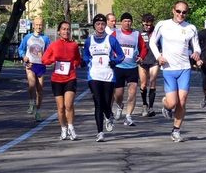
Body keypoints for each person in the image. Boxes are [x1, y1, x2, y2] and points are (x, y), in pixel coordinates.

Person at [149, 1, 201, 142]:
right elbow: (152, 42)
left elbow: (196, 46)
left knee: (182, 102)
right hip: (169, 69)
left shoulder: (191, 28)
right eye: (178, 11)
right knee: (172, 102)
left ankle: (176, 130)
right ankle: (166, 105)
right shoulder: (163, 25)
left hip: (184, 68)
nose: (181, 14)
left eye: (184, 12)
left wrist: (196, 53)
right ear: (173, 11)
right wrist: (159, 57)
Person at [82, 14, 125, 142]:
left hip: (108, 75)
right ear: (94, 25)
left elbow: (121, 55)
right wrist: (84, 61)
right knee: (98, 102)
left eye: (102, 24)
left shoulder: (111, 39)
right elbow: (85, 55)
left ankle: (108, 116)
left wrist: (115, 62)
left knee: (106, 102)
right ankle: (100, 132)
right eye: (98, 24)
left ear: (105, 25)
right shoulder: (89, 40)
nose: (100, 27)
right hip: (94, 75)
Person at [42, 21, 82, 141]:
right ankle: (63, 128)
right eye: (64, 29)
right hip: (57, 79)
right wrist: (53, 59)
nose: (66, 31)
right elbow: (45, 59)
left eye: (68, 29)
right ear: (59, 31)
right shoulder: (54, 45)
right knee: (60, 107)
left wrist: (75, 63)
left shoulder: (74, 45)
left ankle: (71, 128)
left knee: (69, 105)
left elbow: (78, 59)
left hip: (70, 77)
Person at [112, 12, 147, 126]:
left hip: (132, 67)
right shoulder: (115, 33)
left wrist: (141, 57)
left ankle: (128, 116)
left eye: (129, 21)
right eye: (125, 21)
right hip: (119, 67)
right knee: (118, 93)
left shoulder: (136, 34)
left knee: (132, 91)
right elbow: (108, 46)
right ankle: (119, 105)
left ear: (131, 22)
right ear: (121, 22)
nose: (127, 23)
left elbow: (143, 48)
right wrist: (113, 55)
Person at [18, 16, 51, 122]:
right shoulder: (28, 37)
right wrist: (23, 56)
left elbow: (50, 52)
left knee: (40, 90)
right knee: (32, 85)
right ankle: (31, 101)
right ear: (33, 26)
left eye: (40, 24)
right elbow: (21, 49)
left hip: (40, 65)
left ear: (43, 25)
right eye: (37, 24)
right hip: (30, 64)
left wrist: (44, 56)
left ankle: (38, 112)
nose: (38, 26)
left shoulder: (45, 39)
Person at [138, 13, 161, 117]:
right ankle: (144, 105)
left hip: (154, 60)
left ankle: (151, 107)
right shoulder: (139, 32)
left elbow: (162, 44)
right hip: (143, 61)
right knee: (143, 84)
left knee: (152, 82)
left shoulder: (157, 31)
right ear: (143, 23)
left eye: (150, 25)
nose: (148, 27)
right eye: (146, 25)